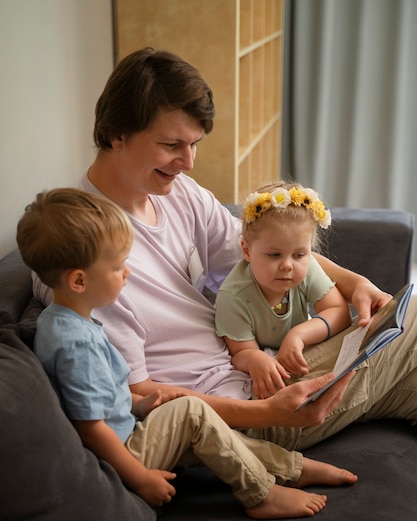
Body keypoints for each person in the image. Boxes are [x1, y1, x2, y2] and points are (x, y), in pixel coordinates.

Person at [32, 48, 417, 453]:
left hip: (253, 371)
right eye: (171, 144)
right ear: (117, 134)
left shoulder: (175, 192)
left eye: (194, 144)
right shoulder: (80, 251)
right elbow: (137, 396)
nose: (188, 162)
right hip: (239, 412)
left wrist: (356, 283)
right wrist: (271, 412)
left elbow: (260, 250)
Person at [18, 187, 360, 519]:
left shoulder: (71, 321)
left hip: (130, 432)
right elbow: (90, 427)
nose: (128, 273)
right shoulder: (75, 342)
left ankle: (294, 469)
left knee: (206, 425)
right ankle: (261, 494)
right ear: (79, 281)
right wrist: (139, 477)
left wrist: (140, 404)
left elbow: (106, 398)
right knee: (193, 411)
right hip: (123, 454)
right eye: (118, 267)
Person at [215, 182, 352, 400]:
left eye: (299, 255)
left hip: (303, 349)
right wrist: (254, 359)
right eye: (274, 255)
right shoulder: (232, 297)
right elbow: (240, 352)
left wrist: (298, 335)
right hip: (269, 366)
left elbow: (340, 311)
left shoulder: (307, 270)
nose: (288, 265)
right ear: (247, 251)